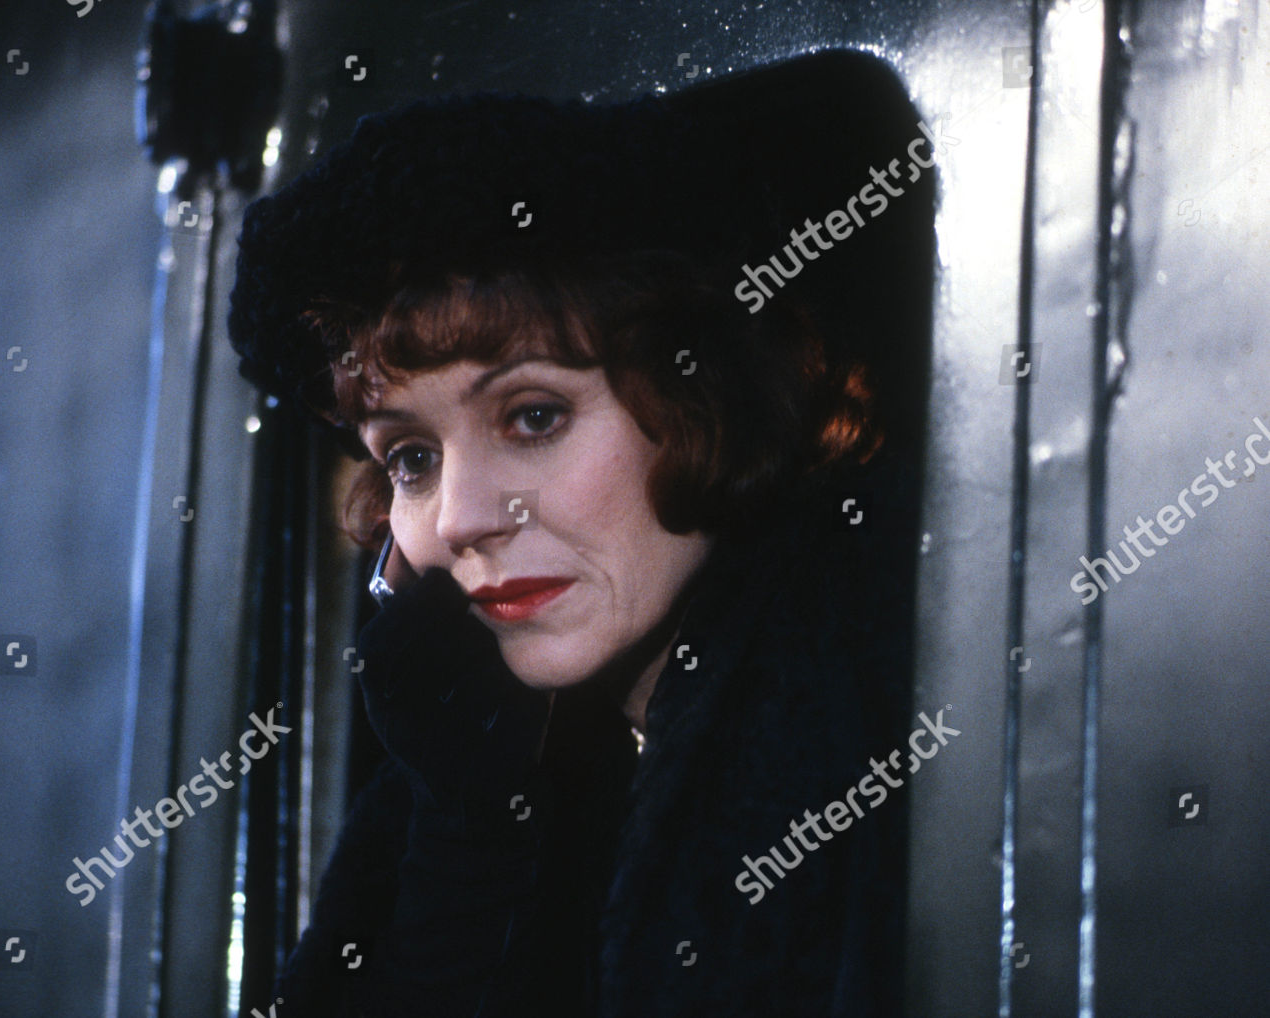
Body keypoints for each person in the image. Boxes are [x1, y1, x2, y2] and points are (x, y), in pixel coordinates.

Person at [228, 50, 930, 1018]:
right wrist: (466, 829)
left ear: (706, 399)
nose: (461, 519)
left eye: (533, 417)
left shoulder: (875, 731)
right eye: (412, 457)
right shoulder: (464, 787)